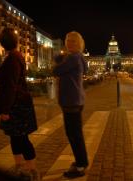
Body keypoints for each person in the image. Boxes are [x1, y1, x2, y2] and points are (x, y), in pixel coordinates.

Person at [0, 28, 39, 181]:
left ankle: (32, 171)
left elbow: (11, 86)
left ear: (3, 43)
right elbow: (1, 77)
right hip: (18, 104)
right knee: (15, 138)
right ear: (16, 42)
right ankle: (20, 168)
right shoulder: (13, 57)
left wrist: (5, 110)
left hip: (16, 105)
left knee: (22, 138)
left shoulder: (12, 58)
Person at [53, 31, 89, 178]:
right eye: (68, 40)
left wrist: (60, 59)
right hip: (76, 100)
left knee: (74, 134)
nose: (69, 43)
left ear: (79, 43)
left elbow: (56, 70)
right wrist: (61, 58)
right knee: (76, 134)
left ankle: (81, 165)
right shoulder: (79, 57)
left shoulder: (73, 57)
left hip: (71, 101)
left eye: (73, 41)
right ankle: (81, 161)